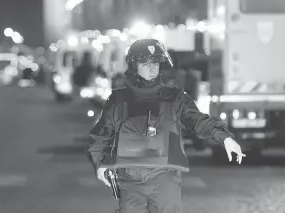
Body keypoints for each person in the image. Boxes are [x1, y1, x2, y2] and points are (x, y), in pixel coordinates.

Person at [86, 39, 245, 213]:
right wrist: (100, 163)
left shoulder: (174, 98)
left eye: (155, 62)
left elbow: (198, 120)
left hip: (164, 179)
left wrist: (225, 137)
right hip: (129, 180)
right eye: (146, 63)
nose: (152, 68)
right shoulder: (118, 100)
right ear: (134, 65)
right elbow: (100, 136)